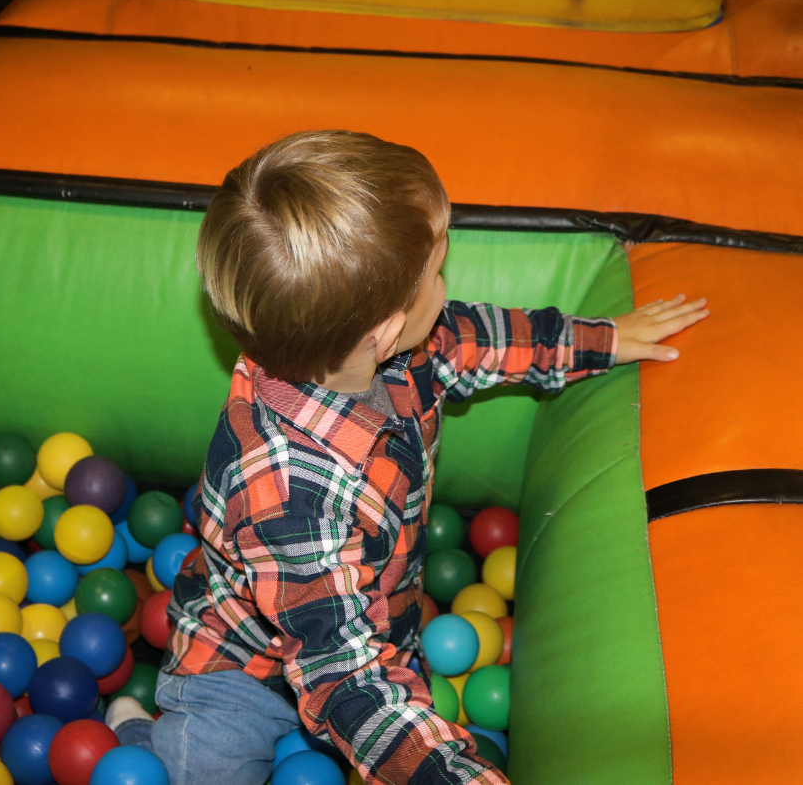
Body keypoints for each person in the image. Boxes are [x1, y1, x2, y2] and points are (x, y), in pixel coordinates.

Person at [105, 130, 708, 785]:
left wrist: (601, 340)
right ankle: (136, 734)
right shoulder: (286, 494)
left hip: (371, 616)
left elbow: (481, 339)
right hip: (241, 666)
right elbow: (348, 679)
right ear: (386, 329)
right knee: (205, 772)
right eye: (437, 275)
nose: (446, 289)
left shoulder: (395, 351)